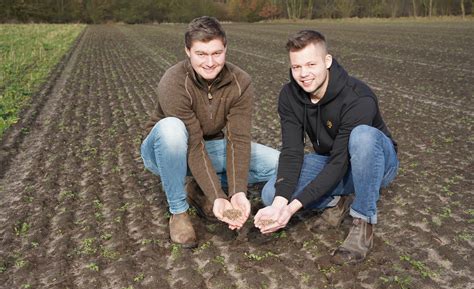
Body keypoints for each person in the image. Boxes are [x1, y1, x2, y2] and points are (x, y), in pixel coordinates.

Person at [254, 30, 399, 264]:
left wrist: (291, 211)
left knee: (362, 137)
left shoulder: (357, 97)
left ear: (327, 61)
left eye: (311, 64)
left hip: (376, 162)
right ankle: (336, 200)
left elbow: (341, 162)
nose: (303, 74)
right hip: (332, 160)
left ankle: (363, 222)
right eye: (296, 67)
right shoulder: (289, 96)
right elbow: (292, 152)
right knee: (271, 195)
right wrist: (281, 204)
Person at [141, 16, 279, 248]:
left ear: (226, 49)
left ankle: (196, 188)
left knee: (277, 162)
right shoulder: (173, 82)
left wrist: (236, 193)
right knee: (172, 129)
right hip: (165, 152)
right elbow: (194, 144)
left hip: (209, 148)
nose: (210, 62)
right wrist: (217, 197)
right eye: (201, 54)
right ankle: (178, 211)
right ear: (188, 51)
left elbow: (238, 140)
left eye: (216, 53)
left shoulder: (240, 82)